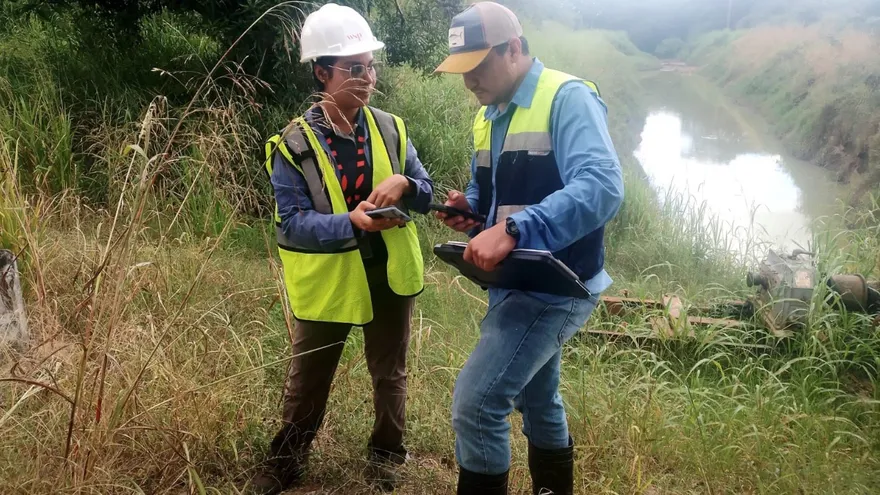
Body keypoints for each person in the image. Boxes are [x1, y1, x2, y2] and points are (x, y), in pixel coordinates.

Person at [433, 2, 624, 494]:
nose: (469, 80)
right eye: (462, 70)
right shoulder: (489, 114)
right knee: (539, 399)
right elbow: (492, 195)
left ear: (513, 49)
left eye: (478, 66)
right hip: (514, 279)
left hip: (556, 284)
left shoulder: (568, 97)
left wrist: (515, 229)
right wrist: (471, 210)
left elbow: (602, 186)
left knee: (476, 406)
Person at [250, 3, 433, 494]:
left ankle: (387, 456)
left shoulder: (392, 129)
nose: (368, 77)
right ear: (322, 72)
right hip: (331, 278)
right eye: (355, 68)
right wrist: (348, 224)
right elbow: (292, 225)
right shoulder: (292, 144)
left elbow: (427, 190)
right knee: (308, 379)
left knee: (390, 372)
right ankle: (285, 463)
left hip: (389, 272)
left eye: (371, 65)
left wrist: (406, 186)